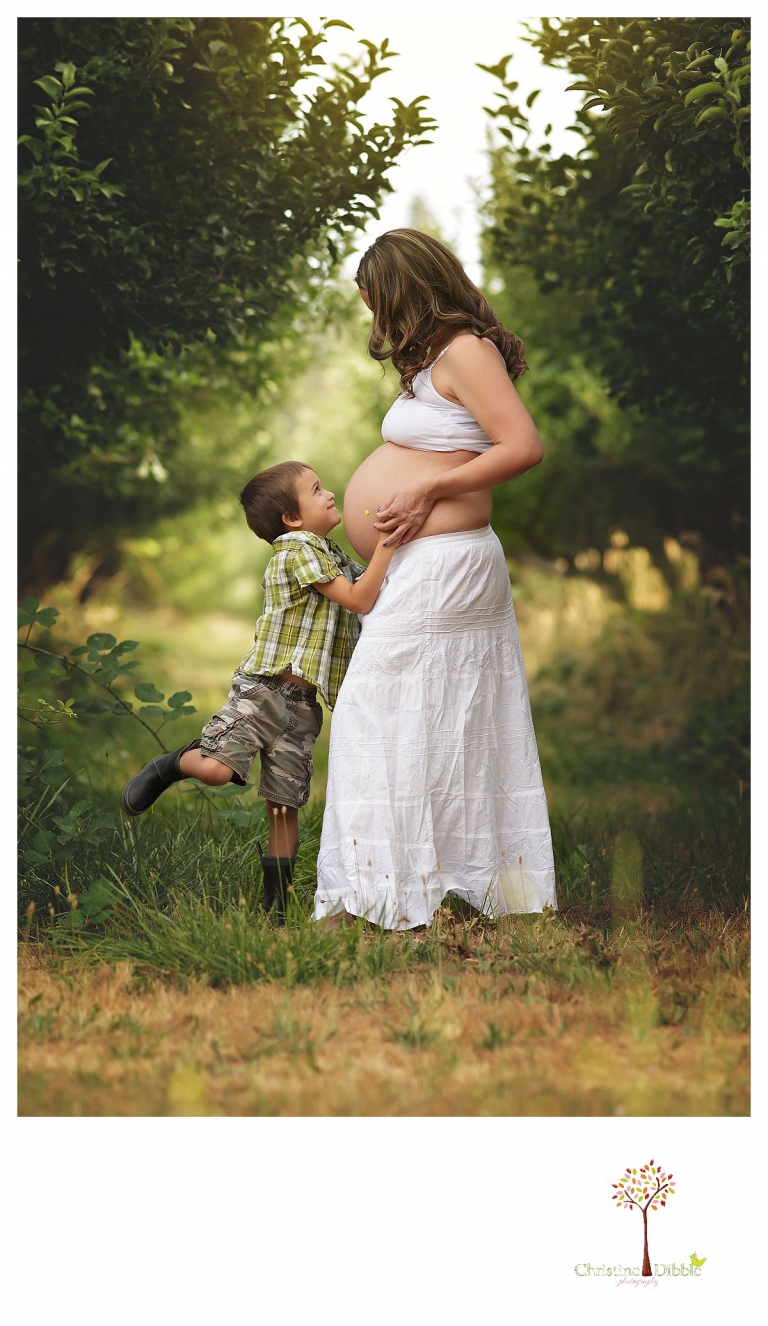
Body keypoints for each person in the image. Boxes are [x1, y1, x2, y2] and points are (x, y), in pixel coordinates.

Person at [314, 228, 558, 930]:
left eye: (375, 301)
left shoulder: (466, 352)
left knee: (380, 705)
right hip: (424, 561)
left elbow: (523, 445)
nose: (374, 320)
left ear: (402, 291)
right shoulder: (432, 362)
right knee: (437, 717)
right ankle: (406, 888)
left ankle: (386, 894)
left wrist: (424, 493)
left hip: (449, 563)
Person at [120, 460, 395, 923]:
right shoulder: (296, 549)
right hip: (265, 688)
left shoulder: (331, 554)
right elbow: (360, 597)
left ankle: (276, 913)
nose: (330, 494)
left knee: (283, 806)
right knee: (216, 771)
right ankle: (171, 763)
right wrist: (392, 538)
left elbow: (371, 584)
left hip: (304, 705)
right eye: (317, 489)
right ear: (291, 519)